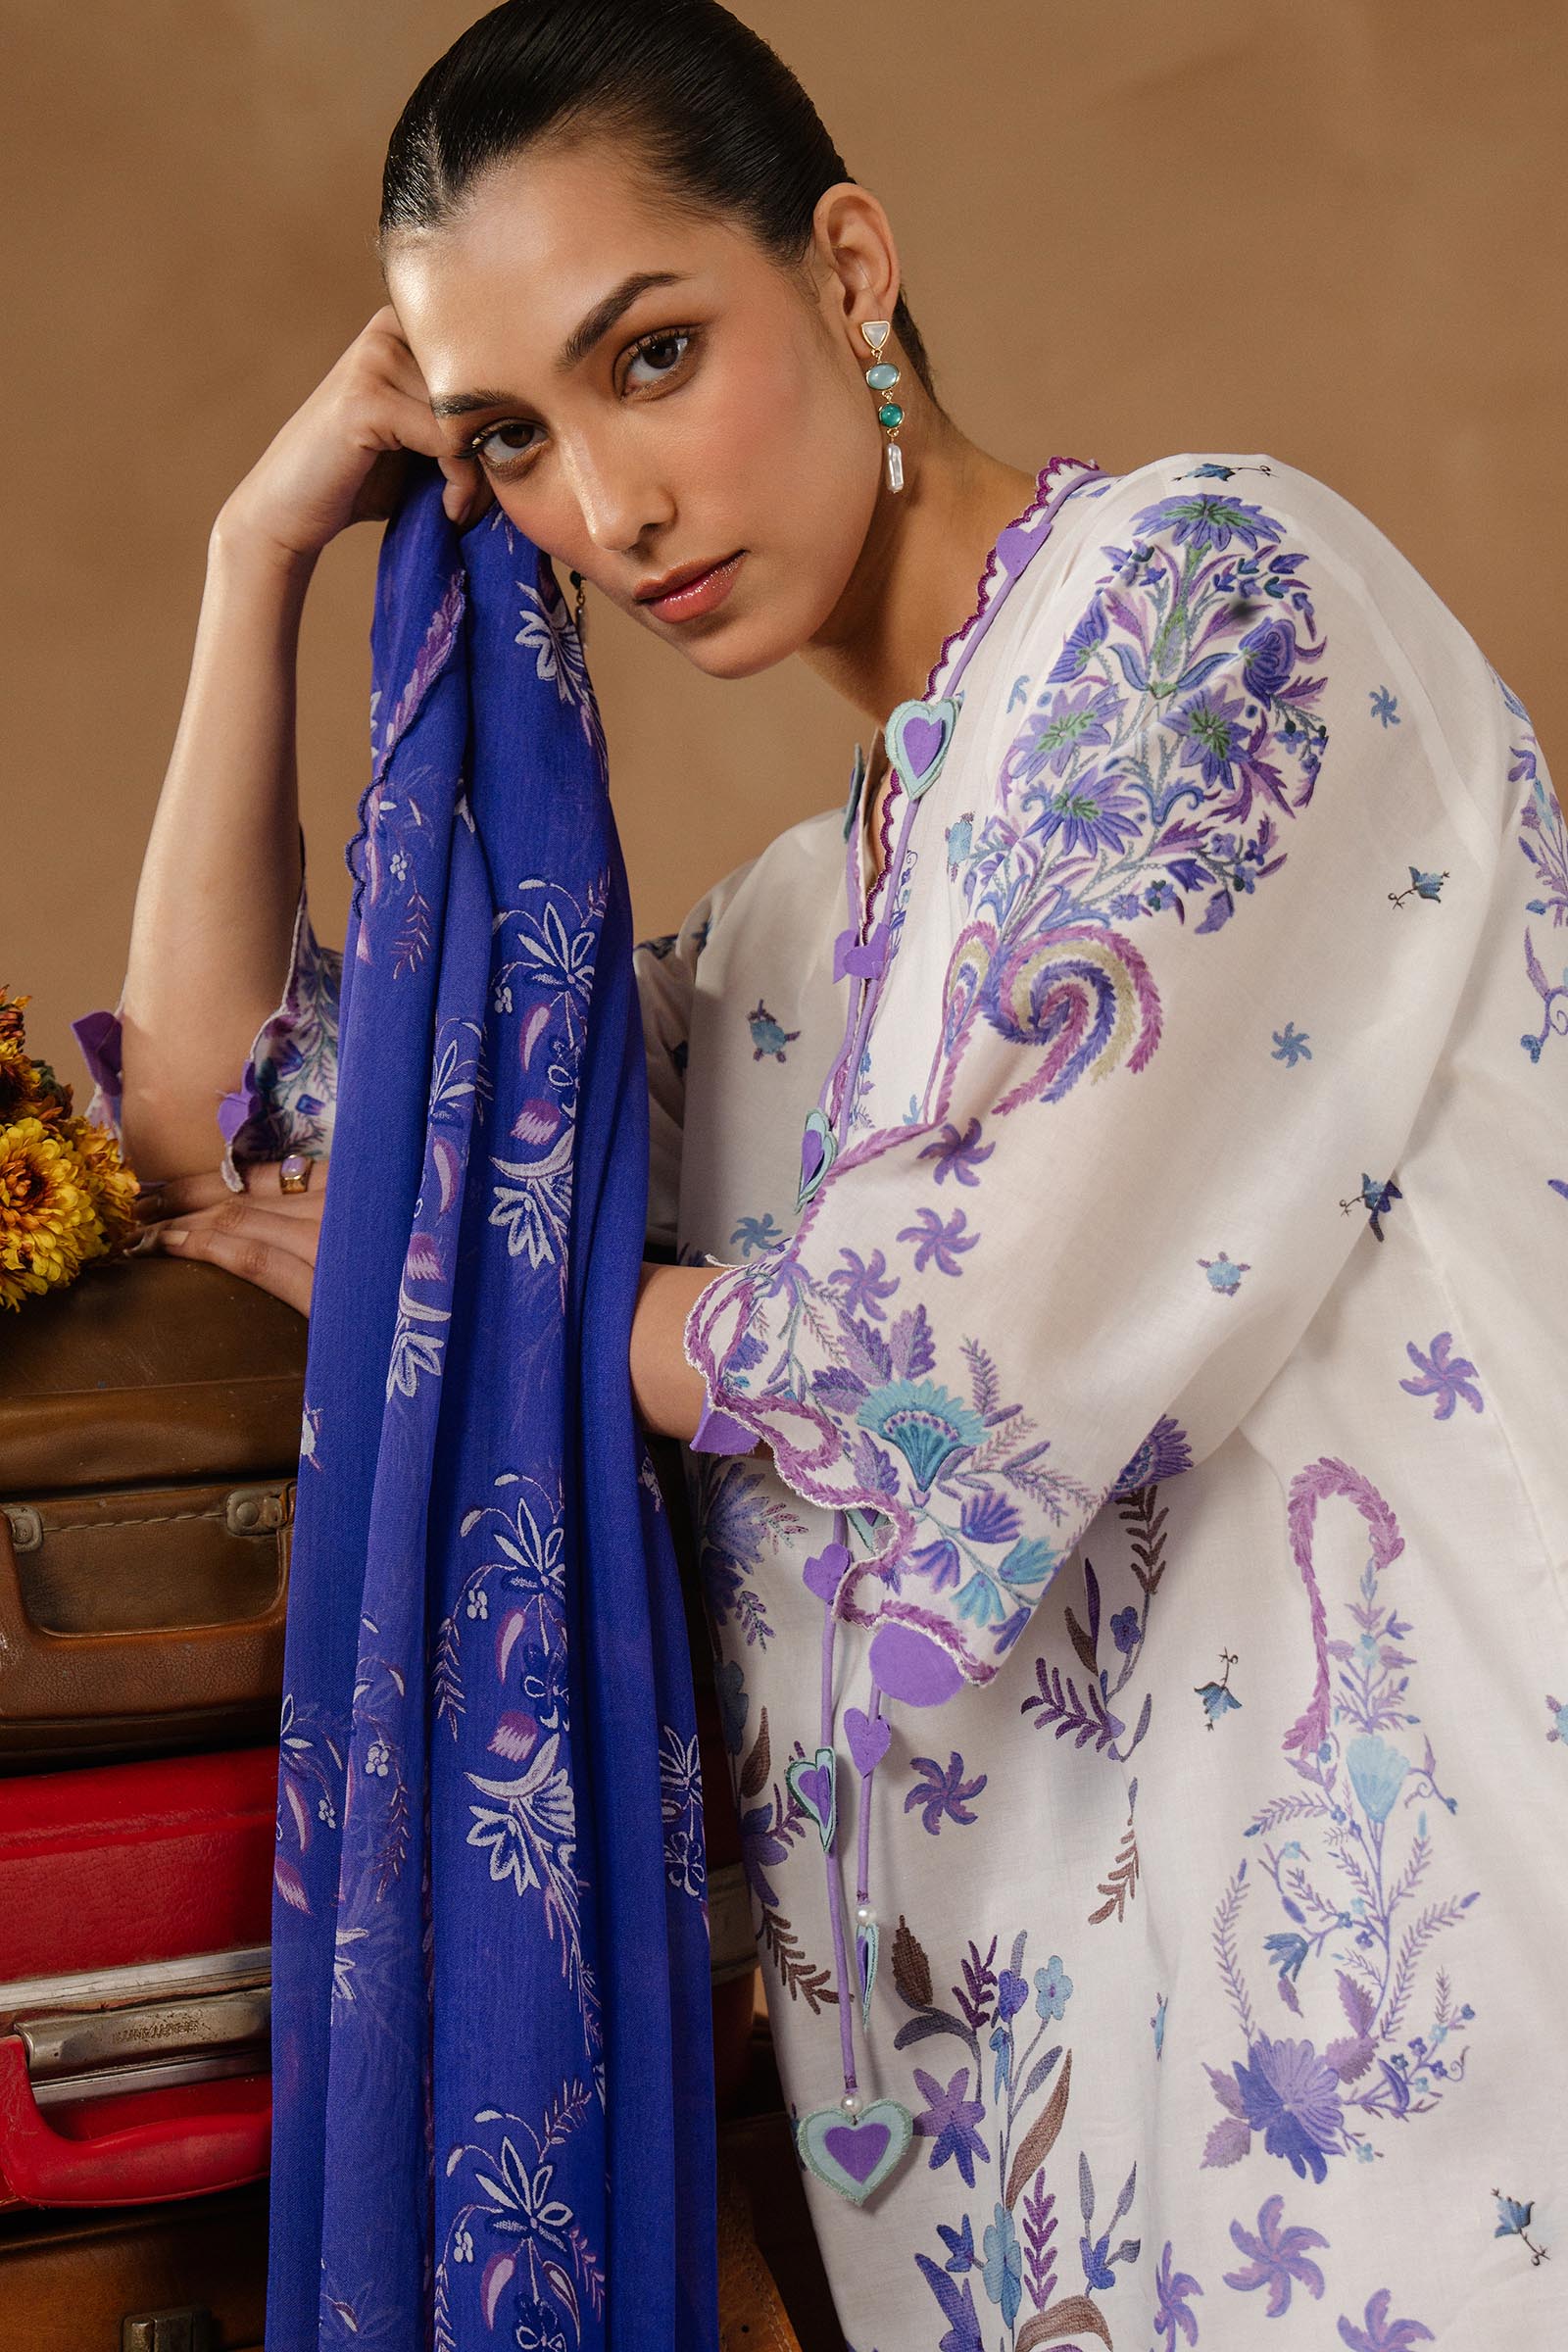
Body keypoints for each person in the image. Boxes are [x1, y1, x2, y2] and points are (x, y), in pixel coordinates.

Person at [74, 2, 1568, 2344]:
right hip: (1035, 2128)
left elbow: (946, 1334)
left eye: (649, 357)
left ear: (847, 268)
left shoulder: (1212, 596)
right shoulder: (796, 940)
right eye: (512, 438)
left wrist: (509, 1293)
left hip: (1406, 2031)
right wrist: (249, 559)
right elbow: (239, 1127)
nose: (606, 511)